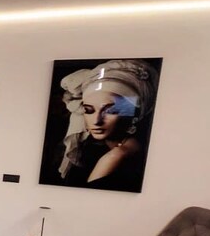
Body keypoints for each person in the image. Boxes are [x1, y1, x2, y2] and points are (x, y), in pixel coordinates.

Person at [56, 59, 159, 191]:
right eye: (89, 110)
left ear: (133, 113)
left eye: (111, 111)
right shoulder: (92, 149)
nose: (97, 120)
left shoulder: (116, 156)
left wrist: (115, 156)